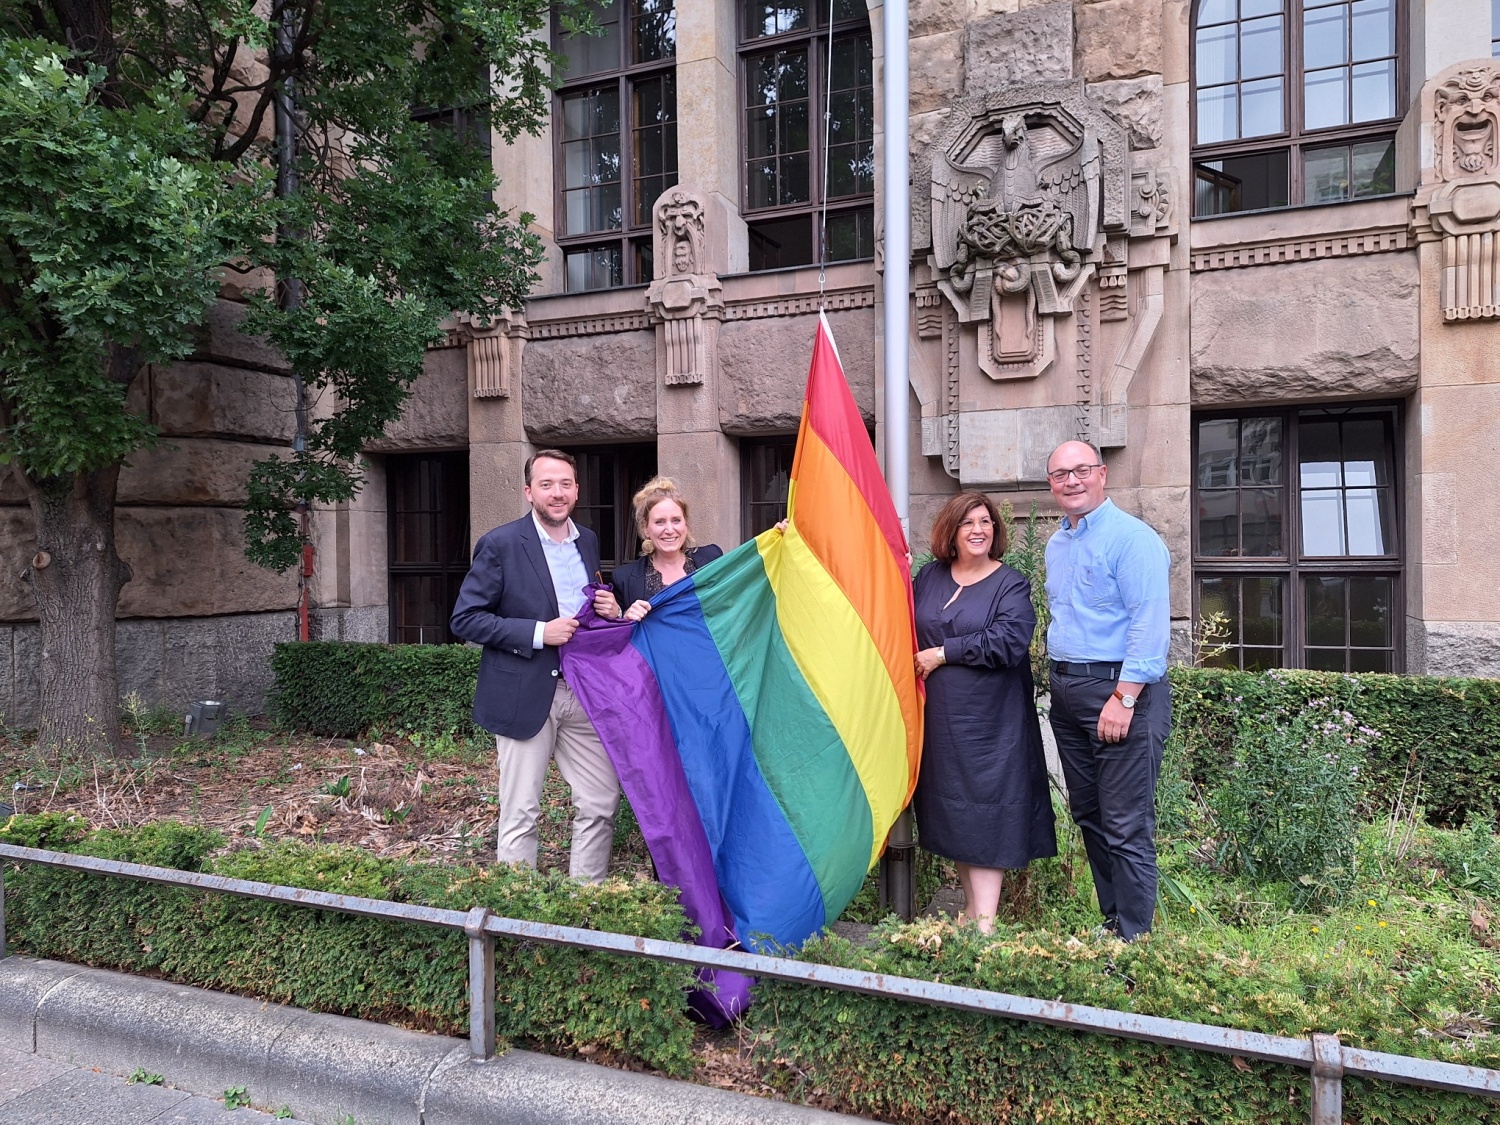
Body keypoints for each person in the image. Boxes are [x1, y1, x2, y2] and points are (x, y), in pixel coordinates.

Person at [449, 448, 625, 882]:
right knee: (521, 811)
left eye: (565, 483)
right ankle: (518, 920)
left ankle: (586, 906)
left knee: (600, 802)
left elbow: (581, 605)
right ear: (529, 492)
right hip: (524, 691)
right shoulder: (501, 544)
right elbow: (465, 619)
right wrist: (537, 632)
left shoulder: (588, 540)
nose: (557, 493)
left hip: (582, 691)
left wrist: (607, 607)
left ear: (577, 490)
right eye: (546, 484)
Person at [1043, 440, 1172, 941]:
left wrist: (1124, 698)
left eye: (1081, 471)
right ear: (1051, 484)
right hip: (1069, 692)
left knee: (1125, 822)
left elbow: (1149, 625)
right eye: (1059, 474)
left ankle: (1136, 938)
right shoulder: (1060, 543)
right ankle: (1114, 920)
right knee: (1090, 814)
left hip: (1121, 693)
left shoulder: (1132, 539)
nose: (1071, 481)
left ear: (1102, 475)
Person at [912, 492, 1057, 934]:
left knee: (988, 813)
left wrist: (943, 652)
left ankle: (986, 926)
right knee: (956, 814)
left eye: (986, 522)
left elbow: (1009, 641)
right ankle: (972, 913)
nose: (979, 530)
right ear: (950, 532)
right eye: (968, 523)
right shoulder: (929, 577)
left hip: (993, 724)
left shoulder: (1010, 583)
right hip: (941, 722)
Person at [611, 477, 724, 621]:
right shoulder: (624, 579)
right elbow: (614, 635)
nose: (669, 530)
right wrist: (626, 619)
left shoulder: (712, 559)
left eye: (676, 520)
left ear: (686, 525)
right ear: (646, 529)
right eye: (659, 522)